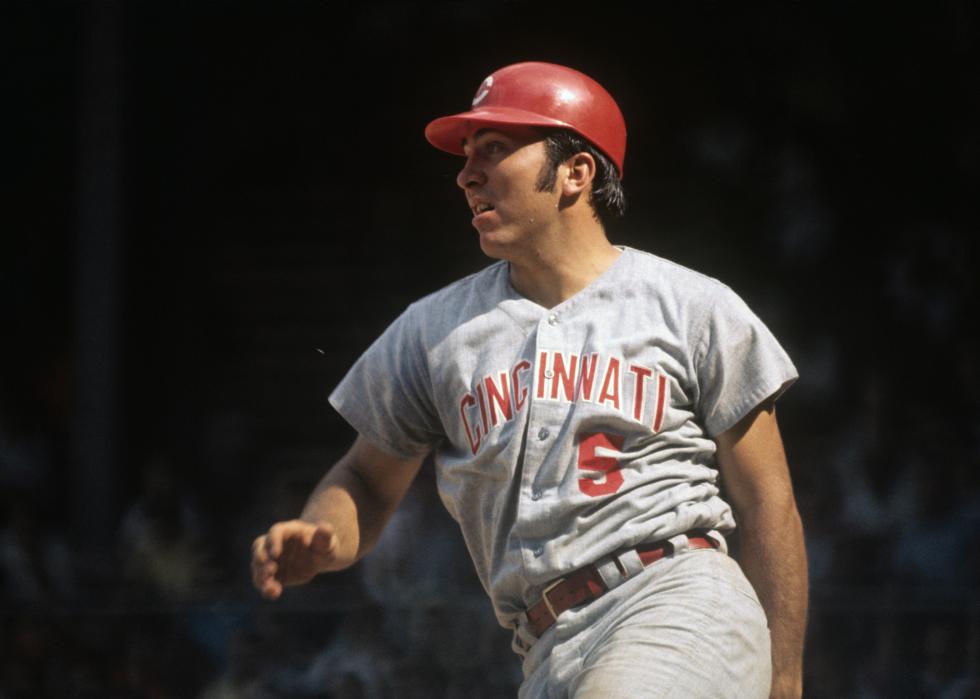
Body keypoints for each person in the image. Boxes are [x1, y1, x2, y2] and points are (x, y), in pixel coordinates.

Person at [251, 61, 807, 698]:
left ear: (576, 172)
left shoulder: (691, 305)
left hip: (675, 598)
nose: (466, 174)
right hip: (543, 646)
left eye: (494, 149)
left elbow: (769, 503)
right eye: (465, 155)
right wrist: (323, 536)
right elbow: (366, 481)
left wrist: (784, 678)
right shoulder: (433, 331)